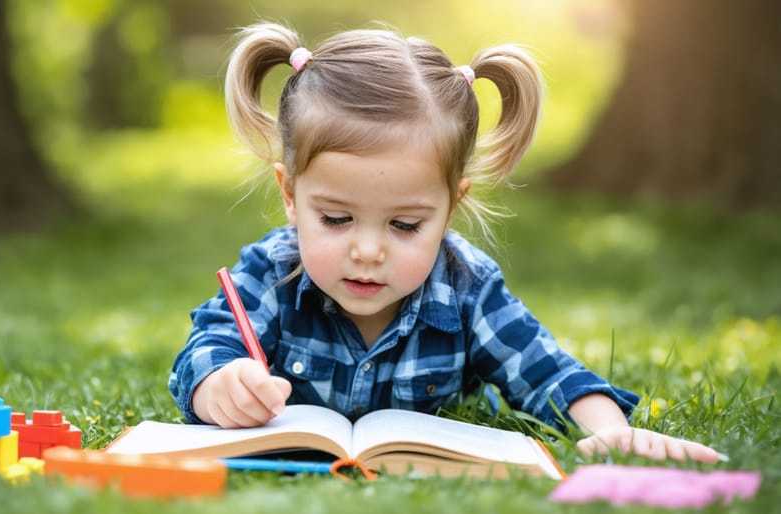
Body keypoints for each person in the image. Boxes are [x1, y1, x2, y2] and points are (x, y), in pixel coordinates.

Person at [168, 22, 719, 463]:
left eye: (405, 226)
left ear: (451, 207)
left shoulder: (466, 285)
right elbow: (207, 350)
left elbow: (548, 371)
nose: (367, 251)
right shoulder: (271, 270)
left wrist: (611, 433)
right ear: (290, 195)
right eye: (336, 218)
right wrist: (222, 383)